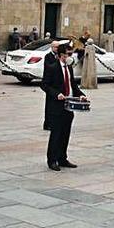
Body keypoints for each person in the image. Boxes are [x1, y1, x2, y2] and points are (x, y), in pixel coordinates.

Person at [42, 42, 87, 171]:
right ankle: (52, 160)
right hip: (56, 107)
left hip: (68, 106)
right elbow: (45, 85)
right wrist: (57, 94)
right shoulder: (52, 67)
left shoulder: (69, 68)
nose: (71, 56)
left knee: (65, 134)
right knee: (56, 134)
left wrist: (81, 95)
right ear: (62, 55)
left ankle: (62, 158)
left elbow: (73, 85)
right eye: (69, 54)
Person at [42, 41, 60, 131]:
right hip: (49, 84)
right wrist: (57, 60)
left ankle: (55, 122)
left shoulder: (60, 56)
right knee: (49, 104)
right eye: (56, 47)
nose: (57, 49)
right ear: (52, 47)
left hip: (57, 83)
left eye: (58, 47)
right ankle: (47, 123)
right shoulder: (48, 56)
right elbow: (49, 67)